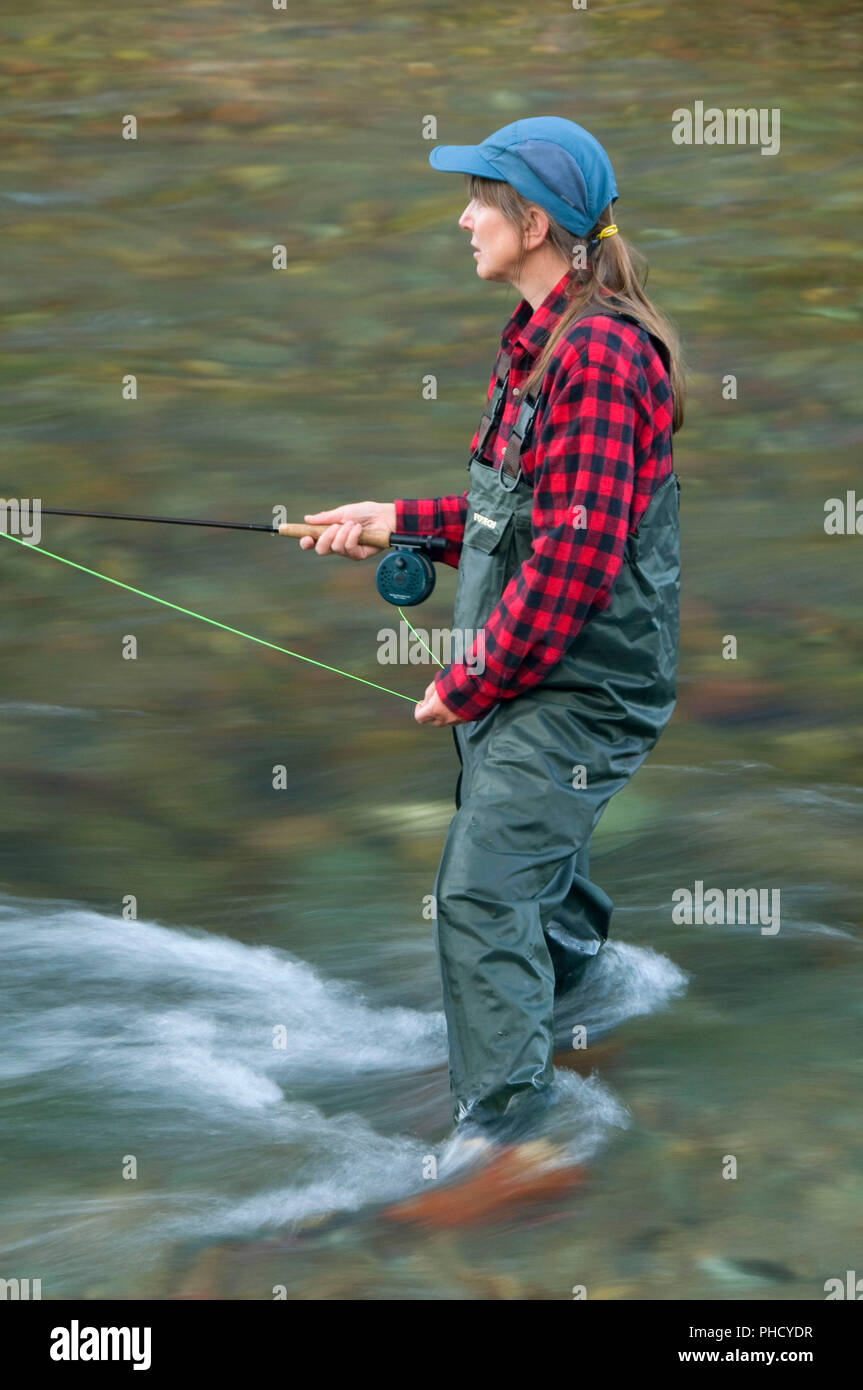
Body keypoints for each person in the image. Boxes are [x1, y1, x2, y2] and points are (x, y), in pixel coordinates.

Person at [300, 116, 683, 1148]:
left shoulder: (596, 356)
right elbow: (521, 517)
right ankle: (583, 1007)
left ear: (534, 221)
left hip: (579, 688)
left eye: (479, 200)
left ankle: (511, 1143)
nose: (462, 218)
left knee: (476, 893)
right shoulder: (539, 343)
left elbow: (572, 563)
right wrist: (394, 522)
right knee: (520, 867)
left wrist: (468, 682)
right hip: (536, 675)